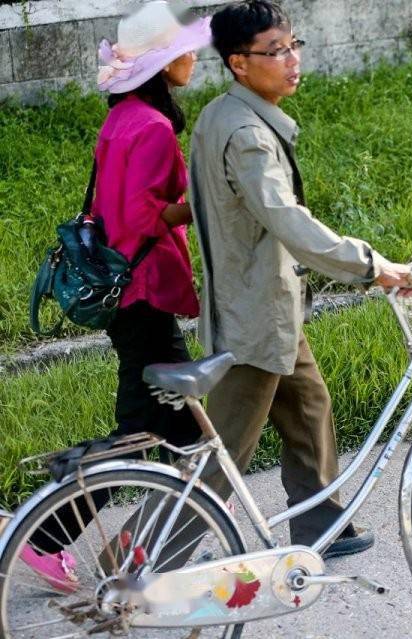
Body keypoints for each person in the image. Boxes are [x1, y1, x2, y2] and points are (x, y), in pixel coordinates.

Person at [183, 0, 412, 558]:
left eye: (294, 46)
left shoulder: (221, 113)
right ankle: (130, 568)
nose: (291, 60)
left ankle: (320, 528)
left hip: (268, 304)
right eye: (275, 51)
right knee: (218, 465)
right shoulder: (247, 134)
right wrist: (371, 266)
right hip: (254, 318)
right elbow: (286, 219)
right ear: (240, 63)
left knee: (309, 406)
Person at [21, 1, 211, 592]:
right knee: (162, 433)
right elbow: (138, 219)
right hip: (144, 292)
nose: (194, 56)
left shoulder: (123, 116)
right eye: (185, 48)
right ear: (159, 63)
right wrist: (205, 199)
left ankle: (141, 535)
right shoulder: (152, 128)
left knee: (171, 430)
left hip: (124, 295)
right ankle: (46, 538)